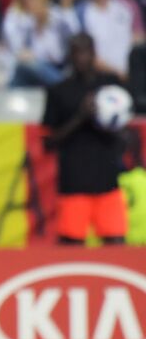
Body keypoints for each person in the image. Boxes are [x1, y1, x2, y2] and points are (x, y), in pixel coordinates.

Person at [44, 34, 129, 245]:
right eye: (76, 52)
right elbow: (49, 142)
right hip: (74, 185)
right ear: (70, 56)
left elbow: (125, 136)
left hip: (108, 183)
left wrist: (105, 121)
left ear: (93, 53)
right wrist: (81, 117)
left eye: (85, 52)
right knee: (72, 249)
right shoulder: (59, 92)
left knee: (117, 246)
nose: (81, 57)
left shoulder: (110, 86)